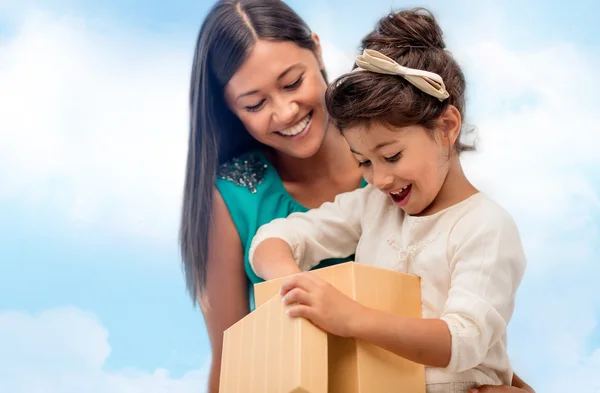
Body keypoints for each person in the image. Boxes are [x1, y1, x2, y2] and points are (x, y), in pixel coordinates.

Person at [179, 1, 534, 392]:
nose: (284, 111)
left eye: (292, 82)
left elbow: (469, 339)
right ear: (230, 109)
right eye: (255, 103)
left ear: (316, 50)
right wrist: (296, 286)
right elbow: (232, 359)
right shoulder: (374, 202)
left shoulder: (425, 195)